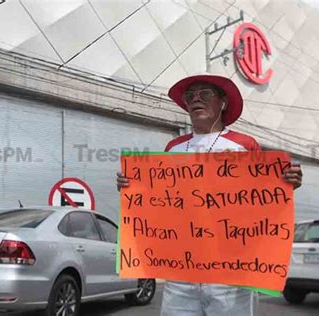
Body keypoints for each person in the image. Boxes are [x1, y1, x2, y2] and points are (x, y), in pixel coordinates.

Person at [116, 73, 303, 316]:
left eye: (205, 94)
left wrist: (287, 184)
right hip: (181, 269)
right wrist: (131, 186)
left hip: (230, 271)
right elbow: (158, 203)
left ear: (222, 103)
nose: (196, 100)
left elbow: (265, 201)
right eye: (190, 96)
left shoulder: (244, 145)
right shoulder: (174, 148)